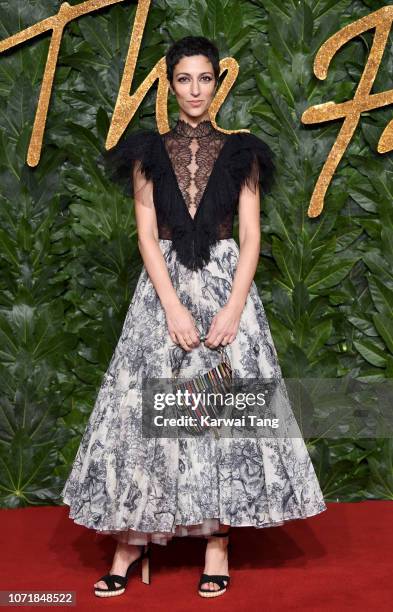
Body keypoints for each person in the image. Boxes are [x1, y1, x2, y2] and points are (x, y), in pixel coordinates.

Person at [61, 35, 327, 599]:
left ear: (216, 84)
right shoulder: (147, 153)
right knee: (144, 415)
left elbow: (252, 235)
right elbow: (146, 236)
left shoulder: (242, 151)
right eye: (184, 79)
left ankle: (216, 542)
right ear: (169, 84)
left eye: (204, 79)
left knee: (223, 414)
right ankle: (129, 544)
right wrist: (174, 306)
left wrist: (233, 307)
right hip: (165, 293)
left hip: (228, 288)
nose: (195, 90)